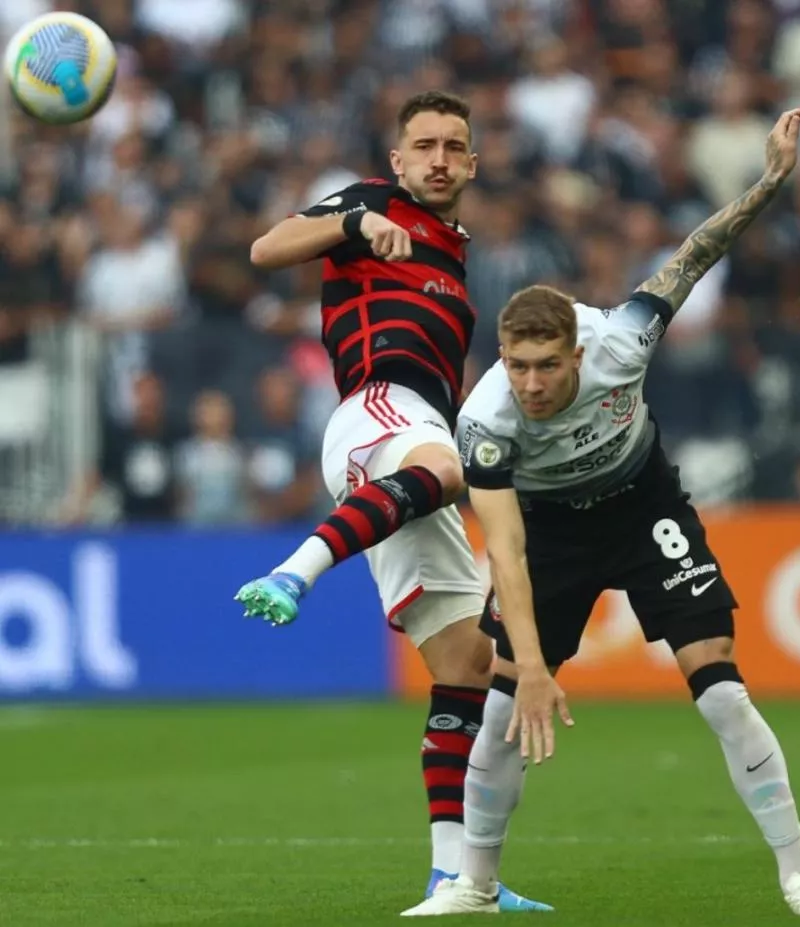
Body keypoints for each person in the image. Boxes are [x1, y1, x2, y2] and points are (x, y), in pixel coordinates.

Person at [402, 109, 800, 919]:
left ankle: (799, 875)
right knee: (506, 705)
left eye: (547, 367)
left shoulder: (623, 338)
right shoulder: (486, 422)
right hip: (550, 529)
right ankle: (472, 883)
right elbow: (505, 548)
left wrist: (770, 180)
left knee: (719, 686)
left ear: (578, 354)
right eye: (518, 367)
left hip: (643, 504)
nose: (532, 385)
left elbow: (700, 251)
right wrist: (535, 666)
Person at [234, 90, 548, 912]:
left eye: (454, 146)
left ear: (473, 163)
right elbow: (268, 248)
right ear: (399, 158)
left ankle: (456, 878)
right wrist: (350, 224)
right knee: (447, 469)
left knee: (467, 669)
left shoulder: (453, 248)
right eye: (424, 145)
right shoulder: (375, 201)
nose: (439, 158)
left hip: (417, 437)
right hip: (376, 408)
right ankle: (297, 570)